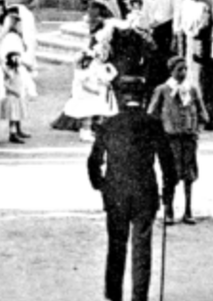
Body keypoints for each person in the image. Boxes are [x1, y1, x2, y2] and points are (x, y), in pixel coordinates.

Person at [88, 74, 177, 301]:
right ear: (143, 97)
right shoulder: (153, 124)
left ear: (119, 97)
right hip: (145, 193)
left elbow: (93, 161)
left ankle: (113, 295)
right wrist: (168, 192)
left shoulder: (108, 124)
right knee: (142, 249)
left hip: (115, 193)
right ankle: (139, 297)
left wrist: (101, 185)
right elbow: (168, 162)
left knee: (116, 246)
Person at [149, 56, 205, 225]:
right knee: (170, 175)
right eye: (179, 69)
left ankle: (188, 210)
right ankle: (169, 210)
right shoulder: (163, 90)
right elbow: (152, 113)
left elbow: (202, 113)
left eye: (185, 69)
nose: (183, 73)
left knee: (189, 175)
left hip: (188, 139)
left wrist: (197, 131)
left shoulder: (192, 90)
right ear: (171, 71)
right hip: (170, 140)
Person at [54, 47, 117, 141]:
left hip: (94, 94)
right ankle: (85, 133)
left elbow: (104, 76)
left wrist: (103, 80)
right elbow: (84, 84)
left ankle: (87, 131)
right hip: (87, 95)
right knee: (87, 115)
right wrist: (93, 90)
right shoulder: (86, 70)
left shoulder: (98, 66)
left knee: (93, 114)